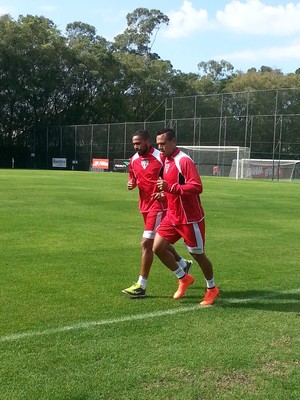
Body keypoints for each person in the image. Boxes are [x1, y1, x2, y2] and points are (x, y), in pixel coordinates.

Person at [122, 129, 193, 298]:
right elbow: (132, 177)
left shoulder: (161, 157)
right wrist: (131, 183)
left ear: (147, 142)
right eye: (133, 144)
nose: (136, 147)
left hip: (160, 206)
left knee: (147, 243)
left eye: (138, 143)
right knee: (159, 241)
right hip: (144, 206)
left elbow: (172, 176)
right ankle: (183, 263)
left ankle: (141, 285)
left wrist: (167, 194)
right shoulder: (133, 160)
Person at [153, 128, 219, 306]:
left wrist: (170, 188)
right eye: (158, 144)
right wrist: (165, 195)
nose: (160, 147)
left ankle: (212, 288)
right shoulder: (165, 159)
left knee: (198, 255)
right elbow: (173, 188)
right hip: (172, 216)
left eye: (163, 144)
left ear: (173, 142)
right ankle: (183, 278)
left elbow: (197, 187)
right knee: (157, 248)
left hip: (189, 219)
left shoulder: (183, 160)